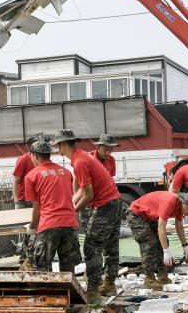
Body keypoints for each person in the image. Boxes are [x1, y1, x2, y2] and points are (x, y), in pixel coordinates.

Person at [53, 129, 121, 304]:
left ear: (61, 145)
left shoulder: (81, 161)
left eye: (57, 146)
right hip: (115, 202)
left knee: (92, 247)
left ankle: (93, 291)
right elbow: (82, 190)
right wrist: (69, 205)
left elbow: (88, 194)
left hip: (105, 205)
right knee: (110, 246)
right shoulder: (82, 156)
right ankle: (109, 284)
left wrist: (72, 211)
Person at [25, 137, 82, 274]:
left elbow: (37, 209)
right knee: (68, 270)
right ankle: (70, 294)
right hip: (70, 224)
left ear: (36, 155)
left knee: (43, 268)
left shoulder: (31, 176)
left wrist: (32, 228)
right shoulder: (66, 173)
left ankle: (48, 295)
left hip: (49, 225)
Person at [127, 191, 188, 290]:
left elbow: (179, 226)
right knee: (149, 243)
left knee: (163, 241)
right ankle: (149, 279)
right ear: (184, 203)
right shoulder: (169, 202)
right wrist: (166, 251)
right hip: (136, 214)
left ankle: (162, 275)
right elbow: (161, 227)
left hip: (149, 217)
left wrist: (185, 246)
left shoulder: (179, 206)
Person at [12, 134, 42, 270]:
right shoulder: (23, 160)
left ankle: (32, 258)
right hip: (25, 200)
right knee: (27, 231)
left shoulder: (42, 159)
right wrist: (17, 201)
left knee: (37, 230)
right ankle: (24, 258)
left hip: (37, 199)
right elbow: (16, 180)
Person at [79, 134, 119, 234]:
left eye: (111, 150)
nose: (108, 153)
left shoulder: (111, 160)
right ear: (98, 147)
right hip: (88, 198)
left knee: (102, 230)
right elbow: (77, 180)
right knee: (87, 229)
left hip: (103, 200)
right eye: (105, 149)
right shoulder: (88, 158)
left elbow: (110, 180)